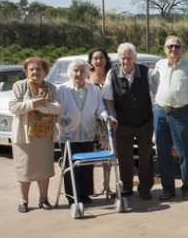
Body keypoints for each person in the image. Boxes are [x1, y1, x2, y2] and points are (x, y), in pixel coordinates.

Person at [57, 58, 114, 205]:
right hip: (69, 132)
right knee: (71, 165)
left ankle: (84, 194)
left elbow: (99, 108)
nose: (78, 73)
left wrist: (105, 116)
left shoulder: (93, 89)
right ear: (71, 72)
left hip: (87, 131)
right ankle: (72, 196)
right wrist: (61, 117)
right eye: (76, 70)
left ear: (87, 73)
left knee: (86, 164)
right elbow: (58, 110)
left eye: (82, 71)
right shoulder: (63, 89)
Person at [9, 57, 62, 213]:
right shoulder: (19, 86)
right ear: (26, 71)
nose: (35, 72)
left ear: (44, 71)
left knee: (43, 168)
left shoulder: (51, 88)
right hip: (24, 136)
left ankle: (43, 199)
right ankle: (23, 201)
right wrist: (33, 104)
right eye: (31, 69)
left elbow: (58, 108)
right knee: (24, 169)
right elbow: (13, 107)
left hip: (45, 135)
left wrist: (42, 106)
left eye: (38, 69)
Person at [103, 43, 154, 200]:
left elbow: (155, 93)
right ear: (119, 59)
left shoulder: (145, 72)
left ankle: (145, 188)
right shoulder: (112, 74)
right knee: (124, 157)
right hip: (122, 122)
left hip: (144, 121)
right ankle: (126, 187)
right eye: (123, 58)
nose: (126, 61)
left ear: (135, 58)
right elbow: (109, 98)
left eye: (129, 57)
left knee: (145, 156)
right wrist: (112, 117)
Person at [151, 35, 188, 201]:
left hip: (180, 114)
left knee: (184, 153)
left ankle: (187, 189)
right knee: (163, 153)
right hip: (161, 113)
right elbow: (154, 85)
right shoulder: (159, 65)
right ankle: (168, 189)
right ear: (164, 49)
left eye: (177, 46)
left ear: (182, 49)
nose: (173, 49)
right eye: (170, 46)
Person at [87, 47, 113, 195]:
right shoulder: (86, 76)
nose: (99, 61)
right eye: (95, 58)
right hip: (90, 122)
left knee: (106, 156)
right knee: (90, 155)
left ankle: (107, 185)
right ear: (91, 61)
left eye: (101, 57)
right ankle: (90, 187)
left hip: (107, 121)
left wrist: (111, 117)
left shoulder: (111, 75)